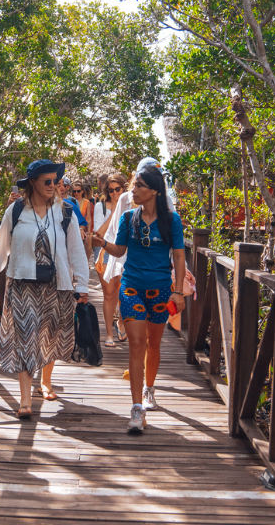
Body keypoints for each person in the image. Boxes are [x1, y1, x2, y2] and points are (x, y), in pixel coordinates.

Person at [0, 159, 90, 419]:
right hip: (22, 283)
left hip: (57, 285)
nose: (54, 185)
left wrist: (83, 284)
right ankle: (25, 398)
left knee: (49, 335)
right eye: (48, 181)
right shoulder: (17, 210)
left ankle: (46, 381)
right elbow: (1, 244)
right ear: (32, 182)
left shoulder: (65, 211)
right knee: (24, 336)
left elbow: (76, 250)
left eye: (56, 181)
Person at [92, 164, 185, 432]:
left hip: (161, 291)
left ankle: (149, 388)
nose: (132, 190)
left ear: (154, 191)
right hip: (131, 287)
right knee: (136, 344)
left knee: (153, 344)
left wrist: (178, 291)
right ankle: (136, 410)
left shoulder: (171, 220)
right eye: (133, 185)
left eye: (138, 186)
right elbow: (119, 250)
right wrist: (102, 244)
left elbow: (178, 256)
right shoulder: (128, 218)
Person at [94, 174, 128, 346]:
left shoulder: (131, 205)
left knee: (123, 293)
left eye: (117, 189)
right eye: (111, 190)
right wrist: (114, 214)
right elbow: (98, 233)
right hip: (105, 250)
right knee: (109, 294)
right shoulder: (100, 207)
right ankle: (108, 334)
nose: (114, 193)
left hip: (126, 253)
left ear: (124, 188)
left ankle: (121, 322)